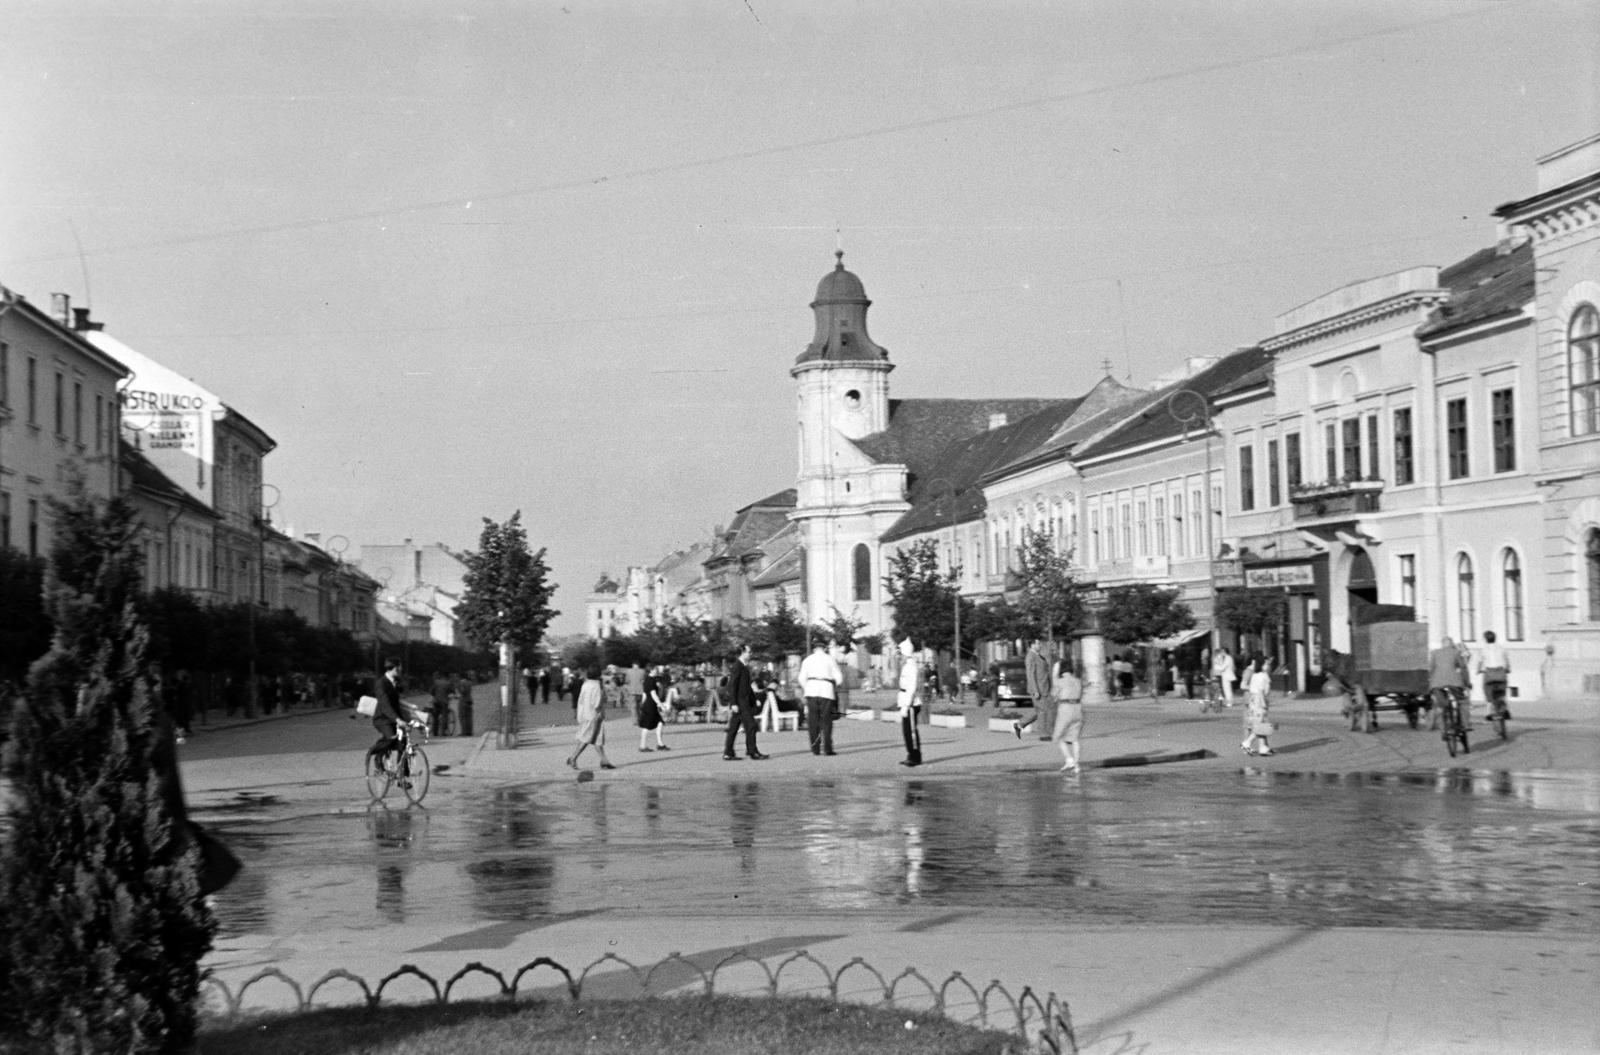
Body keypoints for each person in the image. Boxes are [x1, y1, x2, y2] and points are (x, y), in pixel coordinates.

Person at [722, 645, 767, 761]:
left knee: (733, 728)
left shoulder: (743, 666)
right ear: (743, 652)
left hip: (743, 701)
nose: (750, 654)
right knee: (751, 726)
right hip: (741, 702)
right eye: (749, 652)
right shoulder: (738, 666)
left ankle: (728, 752)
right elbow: (733, 685)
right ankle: (752, 752)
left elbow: (746, 686)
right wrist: (733, 703)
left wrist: (754, 699)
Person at [799, 639, 843, 757]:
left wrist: (806, 688)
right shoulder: (830, 659)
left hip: (811, 690)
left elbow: (801, 677)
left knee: (813, 720)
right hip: (826, 690)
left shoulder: (807, 660)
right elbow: (838, 677)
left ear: (814, 649)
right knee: (826, 720)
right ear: (824, 648)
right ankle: (828, 748)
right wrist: (836, 685)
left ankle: (815, 748)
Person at [566, 664, 615, 770]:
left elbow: (582, 699)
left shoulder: (586, 684)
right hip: (594, 716)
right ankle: (573, 757)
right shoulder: (596, 686)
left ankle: (604, 760)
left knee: (597, 738)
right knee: (587, 738)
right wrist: (601, 710)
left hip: (585, 713)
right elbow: (597, 703)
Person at [367, 659, 409, 779]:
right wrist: (397, 719)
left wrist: (406, 721)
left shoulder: (395, 682)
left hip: (394, 718)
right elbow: (385, 705)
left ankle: (402, 776)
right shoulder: (381, 683)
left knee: (403, 742)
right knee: (391, 738)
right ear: (395, 668)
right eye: (400, 667)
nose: (401, 670)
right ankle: (375, 752)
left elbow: (397, 704)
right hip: (382, 719)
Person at [1428, 635, 1472, 731]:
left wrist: (1429, 681)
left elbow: (1431, 668)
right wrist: (1467, 682)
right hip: (1454, 683)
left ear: (1442, 644)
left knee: (1441, 704)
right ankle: (1465, 725)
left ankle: (1443, 728)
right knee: (1462, 702)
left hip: (1437, 684)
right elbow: (1463, 668)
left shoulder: (1434, 653)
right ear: (1451, 644)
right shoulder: (1456, 652)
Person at [1051, 660, 1085, 772]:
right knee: (1075, 739)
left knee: (1058, 736)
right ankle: (1077, 765)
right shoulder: (1078, 681)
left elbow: (1053, 695)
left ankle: (1069, 760)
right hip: (1078, 708)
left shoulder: (1060, 681)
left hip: (1065, 708)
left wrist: (1054, 671)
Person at [897, 637, 924, 767]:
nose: (899, 654)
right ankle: (910, 754)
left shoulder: (911, 666)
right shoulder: (907, 665)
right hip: (906, 701)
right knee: (906, 731)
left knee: (911, 731)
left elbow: (911, 687)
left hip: (911, 703)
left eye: (900, 651)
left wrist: (907, 705)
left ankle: (915, 756)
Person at [1242, 653, 1274, 756]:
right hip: (1259, 701)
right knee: (1261, 724)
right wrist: (1263, 704)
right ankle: (1247, 742)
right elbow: (1261, 691)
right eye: (1266, 664)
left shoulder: (1255, 675)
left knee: (1261, 724)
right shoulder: (1262, 676)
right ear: (1261, 665)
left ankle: (1262, 747)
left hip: (1254, 701)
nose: (1268, 666)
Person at [1476, 630, 1511, 720]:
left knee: (1487, 690)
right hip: (1500, 672)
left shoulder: (1483, 649)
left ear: (1485, 639)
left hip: (1489, 674)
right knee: (1502, 691)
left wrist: (1478, 670)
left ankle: (1489, 712)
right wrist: (1508, 669)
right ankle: (1505, 709)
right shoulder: (1502, 648)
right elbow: (1506, 660)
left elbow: (1480, 662)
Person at [1024, 640, 1054, 740]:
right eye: (1037, 643)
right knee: (1043, 711)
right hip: (1039, 689)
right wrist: (1035, 690)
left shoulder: (1038, 656)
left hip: (1044, 687)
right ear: (1032, 645)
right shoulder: (1030, 656)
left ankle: (1020, 724)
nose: (1040, 645)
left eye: (1040, 643)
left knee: (1040, 711)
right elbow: (1030, 674)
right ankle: (1043, 734)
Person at [638, 666, 668, 751]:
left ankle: (660, 744)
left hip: (648, 704)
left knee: (660, 722)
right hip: (650, 705)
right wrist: (661, 705)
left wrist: (642, 704)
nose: (657, 671)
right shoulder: (651, 680)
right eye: (655, 669)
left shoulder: (647, 680)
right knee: (646, 726)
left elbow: (644, 694)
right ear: (651, 670)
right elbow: (653, 694)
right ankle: (642, 746)